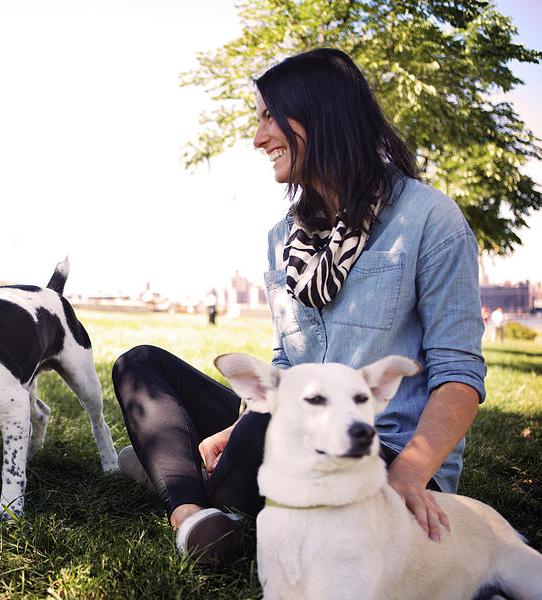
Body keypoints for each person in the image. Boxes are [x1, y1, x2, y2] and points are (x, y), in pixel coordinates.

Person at [112, 48, 486, 563]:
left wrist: (408, 475)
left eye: (270, 117)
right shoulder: (282, 238)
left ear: (320, 115)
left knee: (273, 427)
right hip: (290, 430)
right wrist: (233, 428)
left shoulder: (431, 222)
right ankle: (194, 516)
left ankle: (179, 475)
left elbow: (458, 374)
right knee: (140, 364)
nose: (258, 136)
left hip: (377, 451)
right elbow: (286, 363)